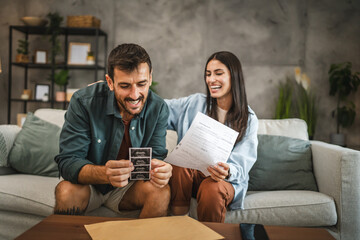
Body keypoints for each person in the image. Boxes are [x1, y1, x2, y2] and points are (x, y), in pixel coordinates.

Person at [54, 43, 172, 218]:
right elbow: (68, 162)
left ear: (150, 78)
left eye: (142, 84)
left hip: (128, 189)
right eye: (125, 86)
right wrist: (104, 174)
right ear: (110, 82)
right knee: (65, 191)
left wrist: (161, 170)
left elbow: (156, 155)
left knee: (161, 191)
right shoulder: (83, 102)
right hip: (89, 185)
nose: (135, 94)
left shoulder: (159, 108)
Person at [165, 51, 258, 222]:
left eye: (218, 73)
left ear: (234, 77)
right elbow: (162, 108)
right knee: (178, 164)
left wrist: (227, 171)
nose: (211, 79)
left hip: (223, 181)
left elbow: (243, 162)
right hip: (190, 178)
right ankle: (178, 223)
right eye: (208, 74)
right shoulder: (194, 103)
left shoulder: (249, 118)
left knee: (212, 188)